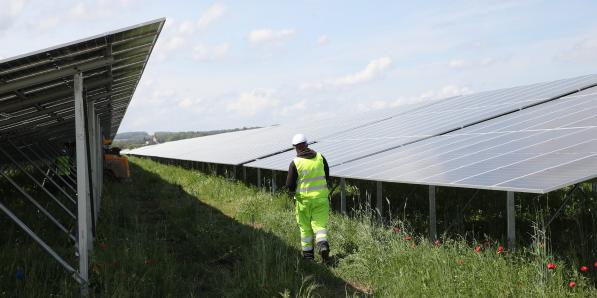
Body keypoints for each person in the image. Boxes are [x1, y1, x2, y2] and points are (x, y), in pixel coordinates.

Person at [286, 133, 331, 262]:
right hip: (321, 199)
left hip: (303, 202)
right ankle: (323, 246)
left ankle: (308, 257)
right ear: (307, 144)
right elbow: (326, 176)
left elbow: (289, 185)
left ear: (296, 147)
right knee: (320, 226)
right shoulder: (320, 158)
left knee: (305, 228)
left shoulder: (295, 163)